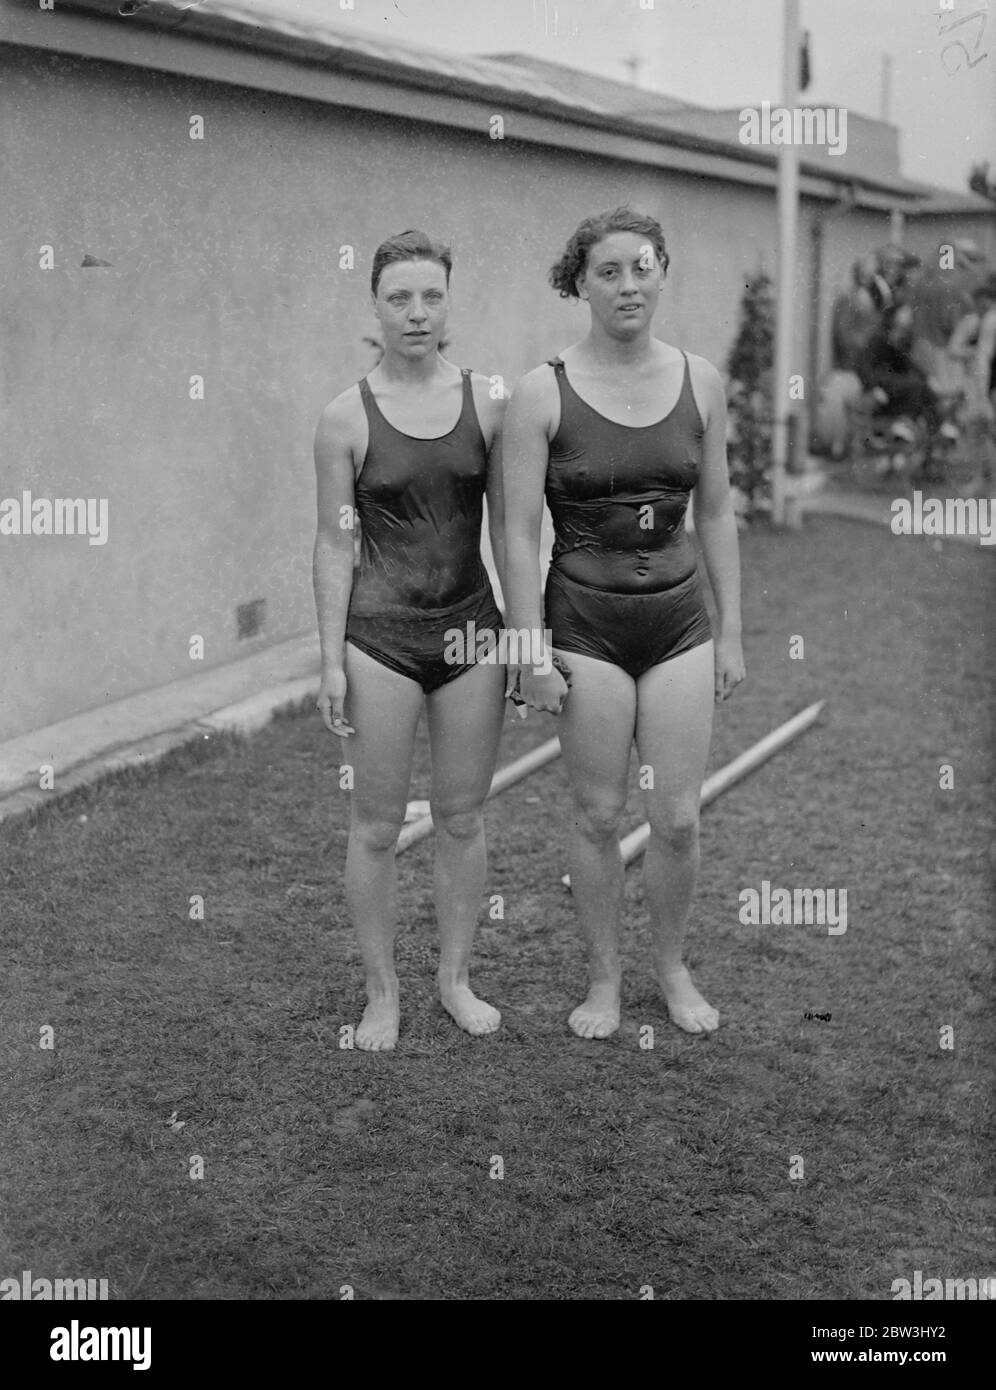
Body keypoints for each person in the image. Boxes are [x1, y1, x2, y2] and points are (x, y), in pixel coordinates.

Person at [502, 207, 745, 1040]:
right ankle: (604, 981)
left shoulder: (703, 382)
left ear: (663, 271)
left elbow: (715, 510)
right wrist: (528, 646)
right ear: (582, 285)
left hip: (678, 621)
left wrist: (735, 630)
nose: (628, 284)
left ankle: (672, 968)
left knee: (677, 816)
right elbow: (517, 532)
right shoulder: (542, 392)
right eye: (609, 272)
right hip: (584, 625)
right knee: (599, 816)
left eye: (642, 267)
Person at [313, 230, 507, 1051]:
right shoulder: (343, 418)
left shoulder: (488, 403)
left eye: (431, 296)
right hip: (379, 638)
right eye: (400, 297)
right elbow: (332, 543)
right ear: (376, 307)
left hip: (471, 635)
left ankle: (455, 980)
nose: (417, 312)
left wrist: (527, 644)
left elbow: (521, 529)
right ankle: (381, 991)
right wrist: (329, 658)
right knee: (376, 826)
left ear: (449, 303)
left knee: (462, 817)